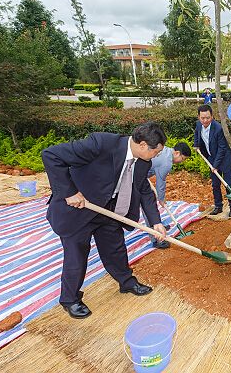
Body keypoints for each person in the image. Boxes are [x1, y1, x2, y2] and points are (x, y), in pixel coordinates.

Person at [41, 122, 168, 319]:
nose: (157, 155)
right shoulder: (101, 144)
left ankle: (127, 282)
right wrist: (69, 192)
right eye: (156, 151)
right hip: (80, 210)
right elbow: (51, 155)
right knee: (77, 255)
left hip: (109, 210)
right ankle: (70, 299)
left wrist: (156, 222)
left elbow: (143, 190)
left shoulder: (143, 162)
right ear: (143, 145)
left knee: (115, 248)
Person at [142, 142, 192, 248]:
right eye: (183, 159)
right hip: (135, 177)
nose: (182, 162)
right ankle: (156, 238)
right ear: (177, 153)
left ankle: (158, 225)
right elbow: (161, 183)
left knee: (150, 200)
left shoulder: (165, 150)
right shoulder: (167, 162)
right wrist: (161, 199)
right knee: (148, 203)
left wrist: (160, 198)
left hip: (142, 174)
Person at [193, 104, 231, 217]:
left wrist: (215, 165)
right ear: (199, 117)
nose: (205, 120)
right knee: (215, 185)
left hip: (225, 159)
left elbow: (222, 148)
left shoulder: (218, 128)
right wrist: (196, 145)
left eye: (208, 117)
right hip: (211, 158)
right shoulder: (198, 125)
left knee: (227, 184)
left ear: (212, 116)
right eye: (202, 118)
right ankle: (218, 206)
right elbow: (197, 134)